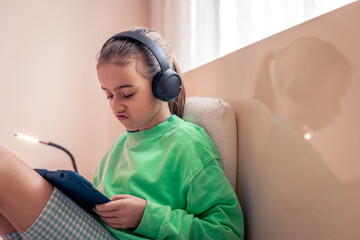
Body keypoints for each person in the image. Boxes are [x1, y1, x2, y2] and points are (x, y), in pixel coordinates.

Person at [0, 27, 244, 240]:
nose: (116, 105)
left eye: (127, 93)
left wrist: (146, 216)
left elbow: (226, 232)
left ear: (163, 86)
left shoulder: (188, 144)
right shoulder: (119, 147)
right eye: (108, 94)